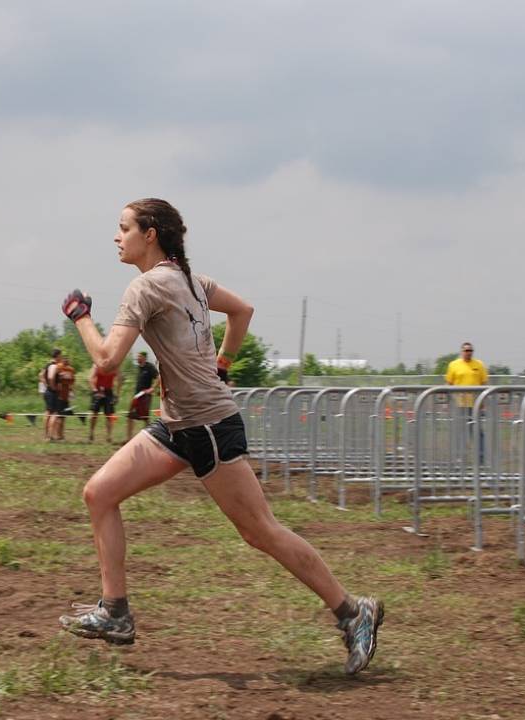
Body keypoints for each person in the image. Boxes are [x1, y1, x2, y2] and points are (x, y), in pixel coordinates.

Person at [55, 198, 382, 675]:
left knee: (259, 530)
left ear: (150, 234)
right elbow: (243, 311)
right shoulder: (192, 280)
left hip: (207, 426)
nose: (116, 236)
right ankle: (115, 612)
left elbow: (107, 359)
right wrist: (222, 364)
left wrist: (81, 315)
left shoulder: (145, 287)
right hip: (177, 425)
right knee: (99, 493)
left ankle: (353, 612)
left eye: (123, 228)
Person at [444, 342, 488, 464]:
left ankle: (480, 458)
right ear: (462, 352)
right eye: (466, 350)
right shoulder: (454, 365)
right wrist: (447, 401)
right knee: (460, 432)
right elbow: (449, 383)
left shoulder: (479, 365)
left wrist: (483, 401)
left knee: (477, 432)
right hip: (460, 404)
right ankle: (460, 457)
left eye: (470, 351)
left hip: (475, 405)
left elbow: (484, 383)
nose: (468, 353)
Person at [125, 351, 159, 443]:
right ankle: (128, 439)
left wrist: (152, 388)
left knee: (145, 418)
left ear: (144, 357)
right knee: (130, 416)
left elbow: (158, 378)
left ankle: (148, 439)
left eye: (139, 356)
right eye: (137, 356)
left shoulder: (149, 367)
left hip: (145, 396)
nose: (137, 358)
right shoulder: (139, 368)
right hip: (137, 396)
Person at [88, 362, 121, 443]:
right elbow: (90, 378)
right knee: (94, 414)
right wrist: (95, 391)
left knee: (109, 415)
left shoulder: (114, 366)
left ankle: (109, 436)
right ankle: (91, 433)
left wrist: (117, 394)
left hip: (108, 392)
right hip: (98, 390)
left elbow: (120, 379)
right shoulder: (97, 364)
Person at [41, 348, 62, 439]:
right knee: (54, 413)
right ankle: (50, 436)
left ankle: (46, 435)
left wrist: (46, 385)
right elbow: (50, 377)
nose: (61, 357)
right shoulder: (54, 365)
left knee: (48, 412)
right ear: (57, 356)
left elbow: (41, 375)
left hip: (48, 392)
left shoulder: (47, 365)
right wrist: (53, 387)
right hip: (52, 392)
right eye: (60, 356)